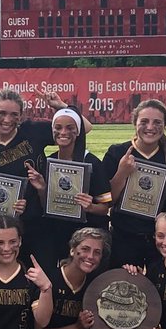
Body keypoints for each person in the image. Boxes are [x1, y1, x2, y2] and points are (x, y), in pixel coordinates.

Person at [103, 99, 166, 268]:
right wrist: (122, 172)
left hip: (159, 240)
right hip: (124, 237)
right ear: (134, 124)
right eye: (144, 122)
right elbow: (109, 200)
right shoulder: (117, 152)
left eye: (157, 122)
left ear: (165, 125)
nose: (150, 127)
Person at [26, 108, 112, 272]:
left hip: (85, 233)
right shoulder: (49, 161)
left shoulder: (92, 163)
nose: (63, 132)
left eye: (69, 128)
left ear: (78, 131)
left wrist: (90, 207)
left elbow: (104, 208)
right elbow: (47, 207)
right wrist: (42, 189)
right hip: (56, 231)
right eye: (58, 128)